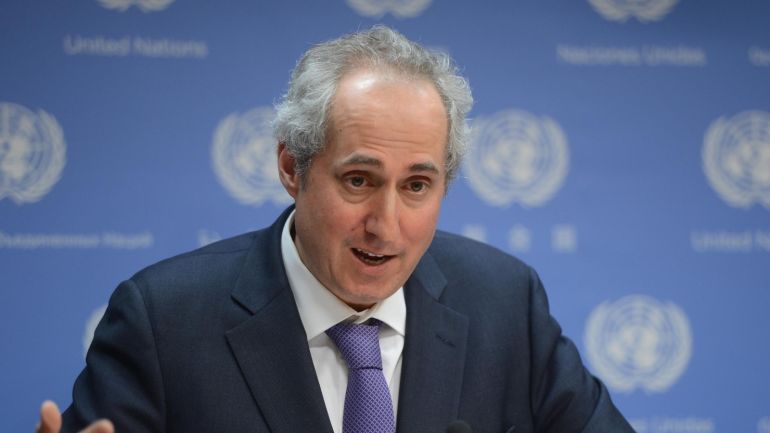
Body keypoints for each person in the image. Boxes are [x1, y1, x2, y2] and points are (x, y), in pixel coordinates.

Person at [37, 25, 634, 433]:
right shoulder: (163, 322)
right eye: (358, 180)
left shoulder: (506, 303)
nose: (386, 225)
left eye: (417, 186)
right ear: (292, 167)